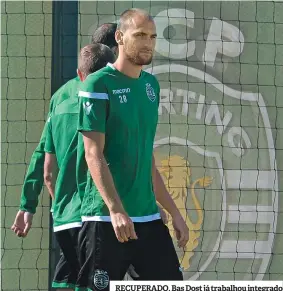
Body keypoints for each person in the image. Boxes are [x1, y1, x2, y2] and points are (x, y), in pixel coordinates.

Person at [76, 8, 189, 291]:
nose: (147, 42)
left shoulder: (151, 86)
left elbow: (146, 158)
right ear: (120, 37)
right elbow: (93, 153)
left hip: (148, 218)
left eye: (152, 37)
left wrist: (173, 212)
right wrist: (115, 210)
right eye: (139, 35)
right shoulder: (97, 83)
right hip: (105, 219)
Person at [11, 23, 119, 237]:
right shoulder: (116, 92)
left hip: (67, 220)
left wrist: (30, 204)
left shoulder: (60, 95)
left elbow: (45, 164)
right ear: (116, 51)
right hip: (106, 216)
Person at [44, 44, 115, 291]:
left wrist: (60, 205)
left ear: (79, 74)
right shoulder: (109, 105)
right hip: (96, 218)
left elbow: (48, 173)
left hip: (64, 218)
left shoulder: (58, 99)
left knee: (68, 281)